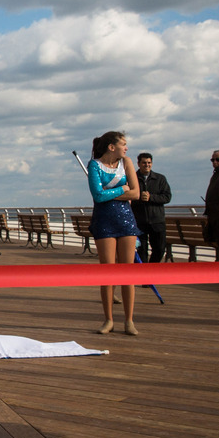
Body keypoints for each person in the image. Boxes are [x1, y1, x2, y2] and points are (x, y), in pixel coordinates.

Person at [87, 132, 141, 336]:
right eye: (123, 144)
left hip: (126, 220)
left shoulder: (126, 163)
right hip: (104, 222)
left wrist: (113, 193)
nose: (126, 148)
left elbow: (135, 193)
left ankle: (129, 320)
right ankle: (108, 319)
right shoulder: (94, 165)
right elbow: (98, 196)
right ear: (111, 146)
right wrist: (121, 190)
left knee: (128, 272)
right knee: (107, 272)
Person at [130, 153, 172, 263]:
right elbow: (128, 197)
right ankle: (143, 274)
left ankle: (152, 268)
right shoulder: (132, 178)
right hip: (140, 221)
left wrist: (151, 197)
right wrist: (139, 198)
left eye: (149, 163)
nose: (147, 165)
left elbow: (167, 197)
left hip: (157, 221)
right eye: (144, 163)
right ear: (139, 164)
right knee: (141, 250)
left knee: (159, 248)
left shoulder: (160, 179)